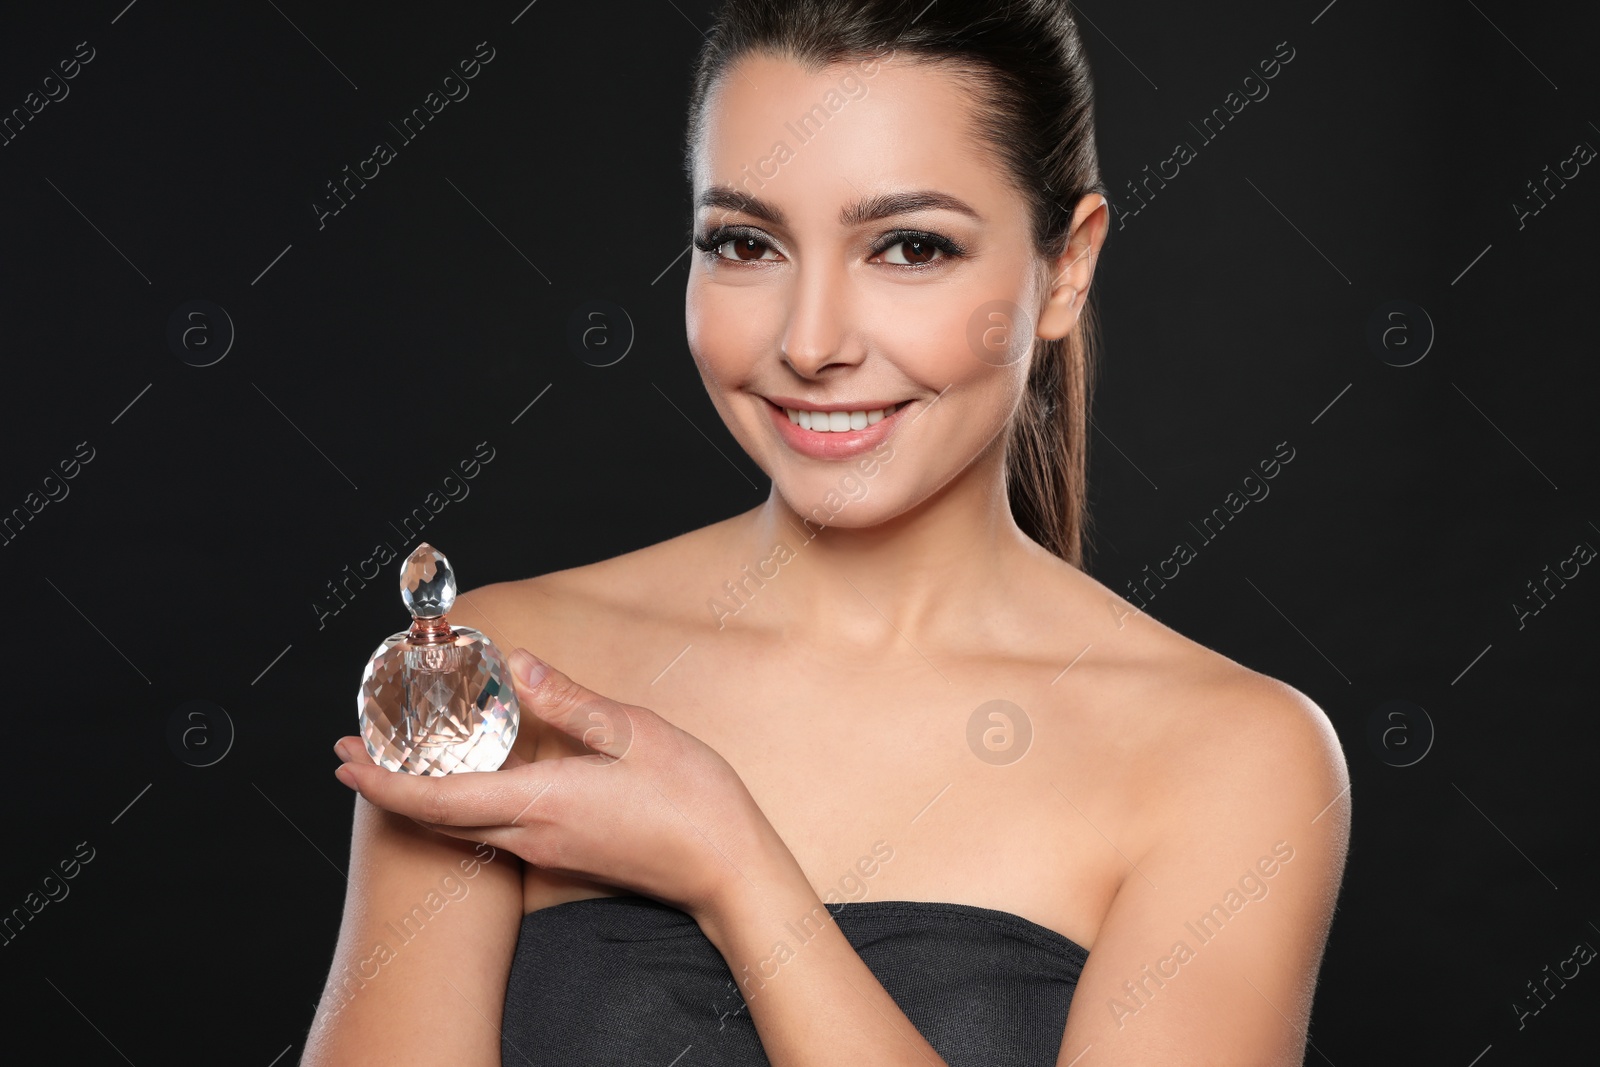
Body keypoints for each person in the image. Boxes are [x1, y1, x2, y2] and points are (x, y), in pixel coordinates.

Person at [301, 1, 1350, 1063]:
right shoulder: (497, 673)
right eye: (745, 243)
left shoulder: (1230, 758)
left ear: (1066, 268)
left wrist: (735, 870)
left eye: (906, 246)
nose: (809, 342)